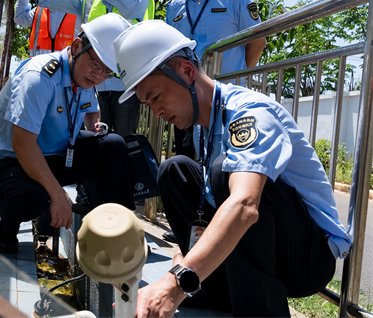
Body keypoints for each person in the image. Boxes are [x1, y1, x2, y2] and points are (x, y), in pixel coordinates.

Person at [114, 20, 351, 318]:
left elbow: (245, 205)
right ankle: (216, 288)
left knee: (226, 174)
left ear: (187, 72)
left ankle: (259, 311)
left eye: (156, 97)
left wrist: (173, 284)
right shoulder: (204, 125)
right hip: (271, 248)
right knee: (175, 171)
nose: (157, 112)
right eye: (148, 104)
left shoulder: (249, 114)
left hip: (307, 258)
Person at [0, 14, 135, 254]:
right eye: (96, 64)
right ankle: (5, 226)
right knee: (33, 197)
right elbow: (22, 145)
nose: (98, 75)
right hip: (9, 161)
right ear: (76, 46)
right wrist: (58, 195)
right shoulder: (39, 77)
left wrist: (96, 127)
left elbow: (91, 111)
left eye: (107, 72)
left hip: (56, 153)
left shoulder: (85, 78)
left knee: (113, 145)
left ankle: (116, 227)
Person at [162, 0, 266, 244]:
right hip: (187, 100)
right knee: (194, 162)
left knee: (226, 167)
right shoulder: (174, 6)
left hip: (225, 100)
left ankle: (229, 234)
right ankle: (197, 230)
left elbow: (257, 40)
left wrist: (235, 77)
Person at [18, 0, 154, 137]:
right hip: (93, 85)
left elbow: (131, 9)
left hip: (124, 85)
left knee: (125, 141)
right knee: (96, 140)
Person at [14, 0, 80, 57]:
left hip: (67, 68)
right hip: (38, 67)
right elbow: (19, 18)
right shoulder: (39, 11)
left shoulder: (80, 12)